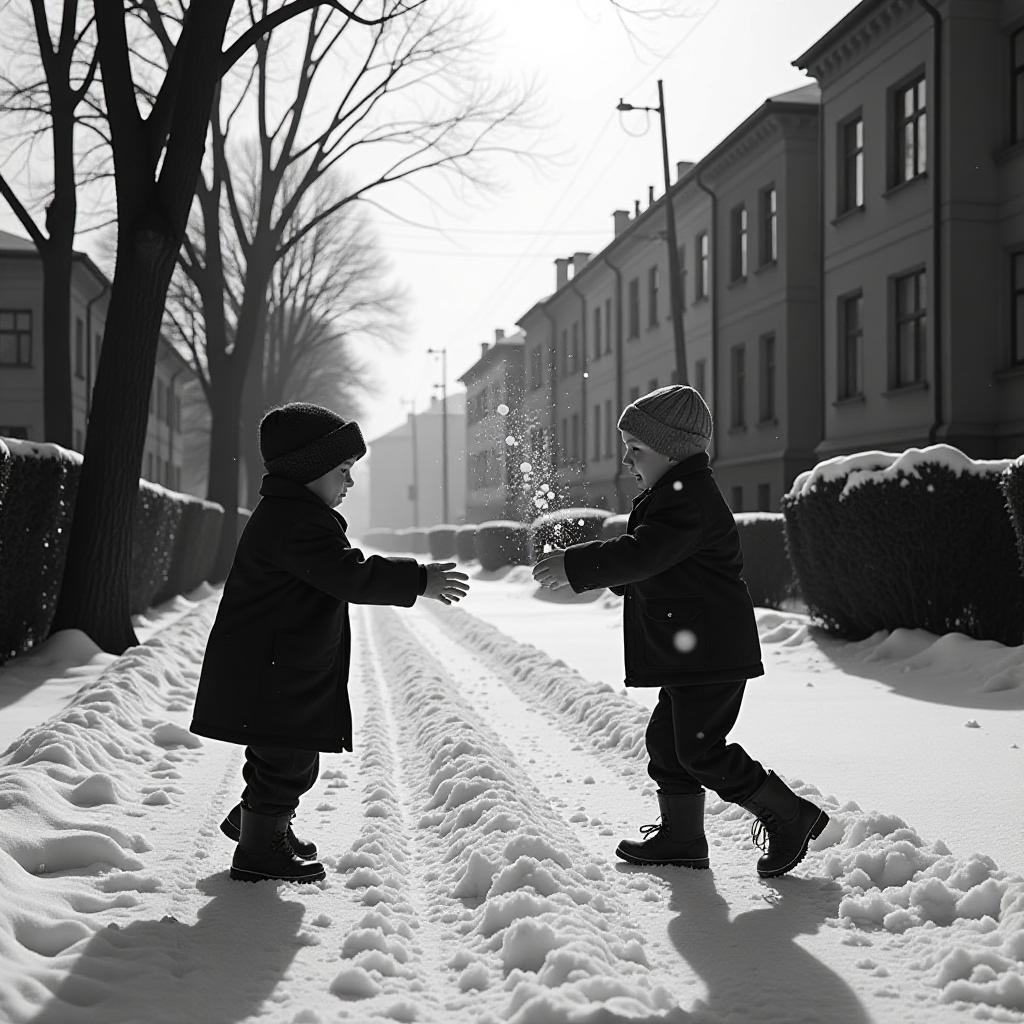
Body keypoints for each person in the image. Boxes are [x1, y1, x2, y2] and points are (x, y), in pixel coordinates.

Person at [532, 385, 828, 878]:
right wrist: (610, 577)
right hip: (692, 652)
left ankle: (790, 815)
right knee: (668, 743)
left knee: (699, 749)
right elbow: (658, 566)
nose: (627, 459)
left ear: (672, 450)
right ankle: (683, 837)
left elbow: (645, 554)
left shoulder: (688, 498)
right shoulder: (673, 494)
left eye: (636, 449)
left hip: (711, 653)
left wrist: (580, 565)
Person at [190, 402, 469, 883]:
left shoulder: (292, 514)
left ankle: (259, 822)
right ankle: (259, 848)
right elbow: (350, 575)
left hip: (275, 666)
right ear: (309, 470)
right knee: (287, 759)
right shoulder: (294, 521)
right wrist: (417, 579)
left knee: (282, 756)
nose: (351, 483)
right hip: (273, 668)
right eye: (343, 470)